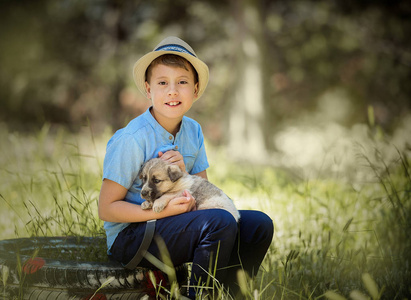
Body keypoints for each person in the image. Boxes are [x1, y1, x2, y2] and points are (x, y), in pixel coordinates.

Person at [98, 36, 273, 298]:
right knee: (220, 222)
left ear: (196, 89)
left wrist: (184, 174)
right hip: (133, 237)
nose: (172, 91)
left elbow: (203, 193)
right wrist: (163, 212)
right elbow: (107, 209)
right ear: (148, 90)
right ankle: (198, 296)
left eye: (182, 82)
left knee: (259, 225)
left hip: (174, 221)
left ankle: (230, 294)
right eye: (162, 83)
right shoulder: (132, 139)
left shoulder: (193, 130)